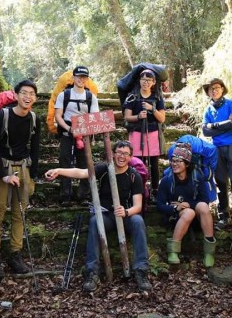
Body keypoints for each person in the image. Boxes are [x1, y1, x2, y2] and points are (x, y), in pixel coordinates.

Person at [45, 140, 152, 293]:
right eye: (119, 153)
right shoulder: (104, 168)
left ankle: (141, 271)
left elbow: (138, 206)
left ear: (130, 156)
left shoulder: (134, 176)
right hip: (106, 215)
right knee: (95, 222)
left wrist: (126, 212)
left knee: (138, 221)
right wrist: (59, 170)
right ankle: (92, 272)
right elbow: (82, 172)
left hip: (125, 215)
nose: (122, 157)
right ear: (113, 154)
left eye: (126, 154)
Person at [0, 80, 41, 279]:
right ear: (16, 95)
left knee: (20, 214)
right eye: (24, 93)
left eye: (32, 94)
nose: (28, 97)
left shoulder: (34, 118)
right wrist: (2, 174)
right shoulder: (2, 116)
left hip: (23, 167)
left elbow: (35, 147)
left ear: (35, 98)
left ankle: (15, 253)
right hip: (2, 166)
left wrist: (33, 175)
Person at [201, 78, 232, 238]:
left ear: (222, 89)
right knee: (220, 183)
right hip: (217, 149)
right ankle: (224, 217)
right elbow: (205, 131)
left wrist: (213, 126)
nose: (213, 90)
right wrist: (222, 126)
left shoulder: (231, 103)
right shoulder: (208, 109)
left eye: (216, 87)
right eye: (210, 89)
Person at [157, 143, 216, 267]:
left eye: (179, 161)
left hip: (197, 218)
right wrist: (175, 208)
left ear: (187, 164)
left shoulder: (197, 177)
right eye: (173, 161)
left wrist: (189, 204)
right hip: (176, 217)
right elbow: (160, 204)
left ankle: (209, 252)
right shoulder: (166, 180)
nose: (174, 164)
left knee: (203, 207)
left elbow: (204, 199)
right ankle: (173, 250)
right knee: (189, 212)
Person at [54, 66, 99, 205]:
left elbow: (94, 116)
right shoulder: (64, 95)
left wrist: (85, 131)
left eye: (84, 77)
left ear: (87, 79)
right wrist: (68, 128)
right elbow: (58, 116)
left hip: (84, 134)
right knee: (65, 161)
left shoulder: (90, 96)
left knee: (85, 163)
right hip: (67, 132)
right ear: (73, 78)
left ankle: (84, 195)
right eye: (78, 77)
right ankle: (65, 195)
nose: (81, 79)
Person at [123, 69, 166, 195]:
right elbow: (127, 117)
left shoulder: (157, 97)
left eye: (148, 80)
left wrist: (151, 108)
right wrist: (138, 117)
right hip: (136, 132)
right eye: (143, 79)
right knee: (137, 162)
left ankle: (155, 189)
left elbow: (162, 118)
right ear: (139, 81)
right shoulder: (132, 97)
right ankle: (138, 188)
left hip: (153, 133)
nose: (145, 82)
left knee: (153, 162)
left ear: (153, 82)